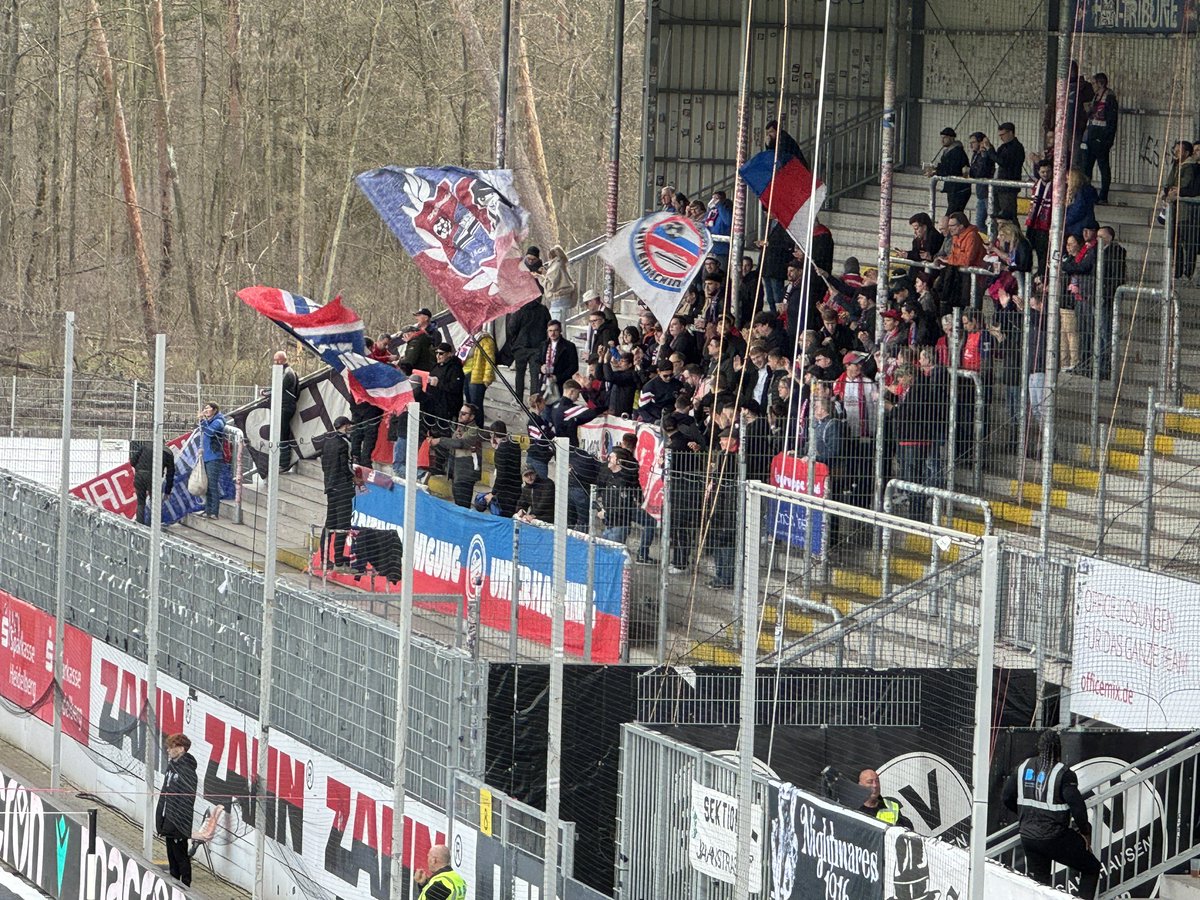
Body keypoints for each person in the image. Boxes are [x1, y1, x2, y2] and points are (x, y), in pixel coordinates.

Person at [1003, 729, 1101, 899]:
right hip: (1055, 836)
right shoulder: (1063, 773)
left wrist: (1025, 816)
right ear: (1058, 750)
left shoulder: (1023, 767)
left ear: (1039, 748)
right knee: (1091, 868)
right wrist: (1085, 831)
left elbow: (1006, 796)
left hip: (1028, 836)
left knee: (1040, 885)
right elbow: (1077, 806)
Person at [156, 733, 197, 887]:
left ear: (180, 749)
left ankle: (186, 887)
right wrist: (161, 820)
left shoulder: (187, 771)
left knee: (180, 856)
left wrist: (176, 823)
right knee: (172, 858)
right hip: (168, 821)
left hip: (178, 824)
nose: (168, 750)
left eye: (171, 747)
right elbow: (164, 794)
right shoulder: (171, 766)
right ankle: (173, 887)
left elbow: (187, 801)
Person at [431, 405, 481, 508]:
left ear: (471, 417)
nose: (460, 416)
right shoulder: (459, 428)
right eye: (460, 413)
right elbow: (451, 448)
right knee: (457, 504)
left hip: (465, 473)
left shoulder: (474, 430)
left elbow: (460, 444)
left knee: (462, 506)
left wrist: (440, 440)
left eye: (464, 414)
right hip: (456, 473)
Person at [321, 416, 355, 568]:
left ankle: (324, 557)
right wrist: (353, 478)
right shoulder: (344, 444)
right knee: (343, 524)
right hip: (343, 488)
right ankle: (339, 557)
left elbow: (324, 464)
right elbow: (345, 465)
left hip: (330, 486)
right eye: (348, 425)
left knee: (330, 523)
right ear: (345, 426)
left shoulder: (327, 442)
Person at [1081, 73, 1118, 204]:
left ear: (1101, 83)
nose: (1093, 86)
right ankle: (1086, 193)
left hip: (1101, 137)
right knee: (1087, 166)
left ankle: (1103, 195)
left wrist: (1108, 139)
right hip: (1091, 134)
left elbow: (1112, 121)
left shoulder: (1110, 98)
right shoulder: (1095, 97)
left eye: (1094, 83)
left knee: (1103, 166)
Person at [505, 295, 551, 399]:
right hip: (537, 348)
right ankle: (534, 401)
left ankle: (518, 399)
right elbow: (549, 325)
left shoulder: (519, 310)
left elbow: (512, 328)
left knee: (520, 374)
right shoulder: (543, 309)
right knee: (534, 376)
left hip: (521, 347)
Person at [981, 122, 1026, 222]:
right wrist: (987, 151)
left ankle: (1014, 235)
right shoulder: (1003, 147)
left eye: (1003, 135)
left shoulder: (1016, 147)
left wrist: (990, 149)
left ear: (1011, 133)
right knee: (998, 216)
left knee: (1008, 216)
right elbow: (996, 158)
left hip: (1008, 187)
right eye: (1000, 135)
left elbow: (1003, 162)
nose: (1001, 138)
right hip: (1000, 185)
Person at [925, 127, 970, 215]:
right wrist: (935, 169)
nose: (942, 140)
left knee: (952, 215)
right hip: (954, 188)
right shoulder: (949, 151)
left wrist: (935, 172)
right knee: (955, 215)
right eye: (941, 137)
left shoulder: (957, 152)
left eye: (945, 137)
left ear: (952, 138)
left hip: (959, 189)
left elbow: (951, 169)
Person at [130, 440, 176, 525]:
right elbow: (170, 473)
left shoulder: (145, 447)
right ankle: (151, 526)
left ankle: (139, 524)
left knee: (141, 502)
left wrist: (140, 469)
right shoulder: (168, 453)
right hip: (155, 478)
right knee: (155, 503)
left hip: (140, 475)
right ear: (164, 443)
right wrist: (167, 491)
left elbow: (132, 461)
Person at [481, 421, 522, 517]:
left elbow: (501, 474)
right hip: (516, 487)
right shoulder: (514, 444)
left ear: (493, 434)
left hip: (505, 492)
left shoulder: (501, 449)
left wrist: (493, 492)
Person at [270, 351, 300, 472]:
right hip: (286, 406)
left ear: (282, 360)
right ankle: (283, 461)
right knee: (282, 433)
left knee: (283, 434)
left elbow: (279, 388)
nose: (275, 362)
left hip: (285, 407)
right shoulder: (287, 371)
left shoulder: (287, 373)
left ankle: (284, 463)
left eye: (276, 360)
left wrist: (268, 393)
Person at [197, 403, 226, 519]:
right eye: (205, 408)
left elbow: (209, 432)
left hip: (214, 457)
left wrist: (203, 421)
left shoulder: (218, 422)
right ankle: (207, 509)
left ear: (214, 410)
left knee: (212, 484)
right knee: (206, 485)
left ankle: (214, 511)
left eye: (208, 408)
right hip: (205, 456)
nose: (206, 410)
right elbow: (201, 432)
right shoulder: (208, 422)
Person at [462, 330, 497, 426]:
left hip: (477, 376)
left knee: (475, 405)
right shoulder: (468, 337)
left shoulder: (485, 339)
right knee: (468, 405)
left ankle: (478, 429)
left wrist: (487, 379)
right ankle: (469, 427)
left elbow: (490, 361)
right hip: (466, 373)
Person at [539, 319, 579, 398]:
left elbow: (574, 367)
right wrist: (541, 368)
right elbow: (537, 361)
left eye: (555, 330)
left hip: (561, 383)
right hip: (545, 381)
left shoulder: (569, 346)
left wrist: (558, 377)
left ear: (560, 331)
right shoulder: (543, 345)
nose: (552, 333)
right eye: (550, 331)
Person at [967, 131, 996, 231]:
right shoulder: (975, 155)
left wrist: (984, 155)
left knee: (992, 220)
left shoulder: (986, 154)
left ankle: (993, 240)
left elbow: (982, 172)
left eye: (973, 142)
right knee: (979, 222)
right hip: (980, 192)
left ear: (980, 142)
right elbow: (973, 173)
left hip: (988, 192)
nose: (971, 145)